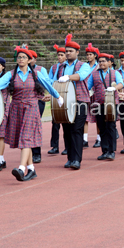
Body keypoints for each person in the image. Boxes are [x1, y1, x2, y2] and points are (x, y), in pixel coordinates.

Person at [0, 46, 62, 182]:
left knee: (25, 138)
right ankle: (31, 169)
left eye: (24, 57)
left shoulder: (36, 74)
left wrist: (57, 96)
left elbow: (48, 85)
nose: (21, 59)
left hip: (31, 108)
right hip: (16, 109)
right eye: (19, 57)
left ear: (29, 60)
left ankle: (21, 168)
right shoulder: (11, 74)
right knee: (24, 138)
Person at [54, 34, 92, 170]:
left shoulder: (84, 65)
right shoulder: (60, 67)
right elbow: (54, 81)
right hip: (64, 101)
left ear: (77, 52)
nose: (68, 53)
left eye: (71, 51)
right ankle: (70, 158)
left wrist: (68, 77)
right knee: (67, 130)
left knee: (76, 129)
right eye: (66, 51)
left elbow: (81, 76)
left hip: (80, 101)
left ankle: (76, 159)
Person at [87, 53, 123, 161]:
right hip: (99, 104)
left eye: (104, 61)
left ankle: (111, 151)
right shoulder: (94, 74)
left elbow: (121, 83)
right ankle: (105, 151)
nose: (101, 63)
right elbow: (88, 87)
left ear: (109, 62)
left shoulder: (114, 73)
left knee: (111, 126)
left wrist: (115, 88)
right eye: (100, 61)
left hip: (112, 103)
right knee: (101, 128)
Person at [28, 48, 48, 164]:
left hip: (38, 101)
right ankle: (28, 152)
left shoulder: (41, 70)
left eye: (31, 58)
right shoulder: (19, 71)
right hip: (25, 102)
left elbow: (47, 82)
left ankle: (36, 153)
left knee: (34, 125)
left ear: (34, 59)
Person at [48, 44, 68, 155]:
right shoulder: (54, 67)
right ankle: (54, 146)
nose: (59, 57)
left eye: (62, 55)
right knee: (55, 122)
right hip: (56, 94)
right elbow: (49, 79)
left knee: (65, 122)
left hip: (65, 95)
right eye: (58, 55)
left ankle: (67, 146)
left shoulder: (68, 67)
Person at [85, 43, 100, 148]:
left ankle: (99, 138)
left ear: (95, 55)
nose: (89, 56)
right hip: (86, 92)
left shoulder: (99, 66)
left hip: (96, 93)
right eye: (87, 54)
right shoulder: (84, 66)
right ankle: (84, 139)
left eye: (91, 54)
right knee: (84, 116)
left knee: (98, 116)